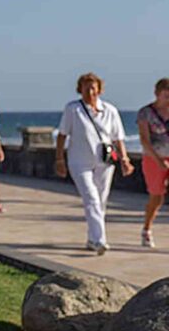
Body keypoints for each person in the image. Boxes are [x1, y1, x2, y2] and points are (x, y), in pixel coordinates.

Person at [55, 72, 135, 255]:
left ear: (99, 89)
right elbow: (62, 135)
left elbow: (118, 138)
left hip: (104, 162)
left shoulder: (110, 110)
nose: (90, 91)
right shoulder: (73, 109)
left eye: (93, 88)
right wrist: (59, 159)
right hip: (79, 162)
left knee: (100, 201)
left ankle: (92, 238)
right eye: (86, 88)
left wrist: (125, 159)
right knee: (91, 198)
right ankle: (100, 241)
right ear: (80, 89)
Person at [137, 77, 169, 248]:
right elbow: (144, 140)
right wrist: (158, 160)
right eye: (166, 96)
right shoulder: (146, 113)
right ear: (157, 94)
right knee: (157, 197)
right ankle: (147, 229)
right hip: (153, 158)